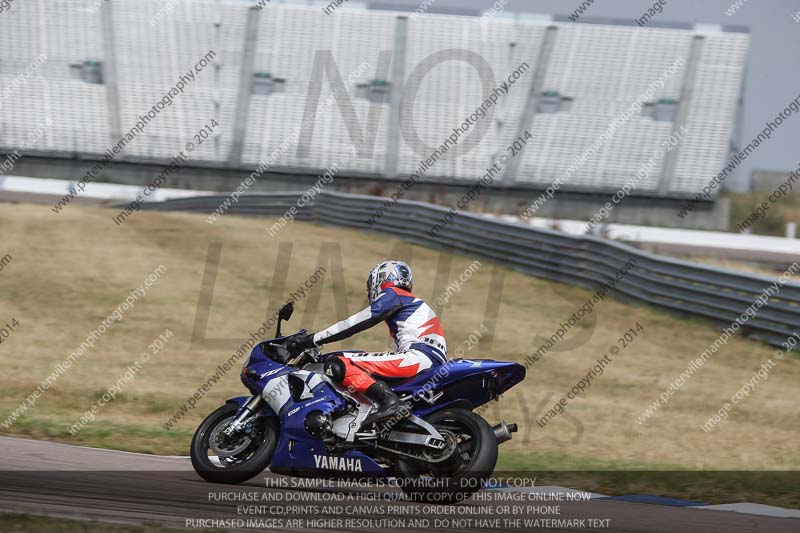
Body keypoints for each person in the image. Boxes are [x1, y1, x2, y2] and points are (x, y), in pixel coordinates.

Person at [286, 260, 447, 426]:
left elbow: (356, 322)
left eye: (370, 285)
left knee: (338, 363)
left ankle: (390, 403)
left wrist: (313, 339)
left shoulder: (394, 294)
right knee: (347, 357)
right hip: (427, 361)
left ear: (381, 278)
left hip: (417, 358)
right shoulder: (411, 302)